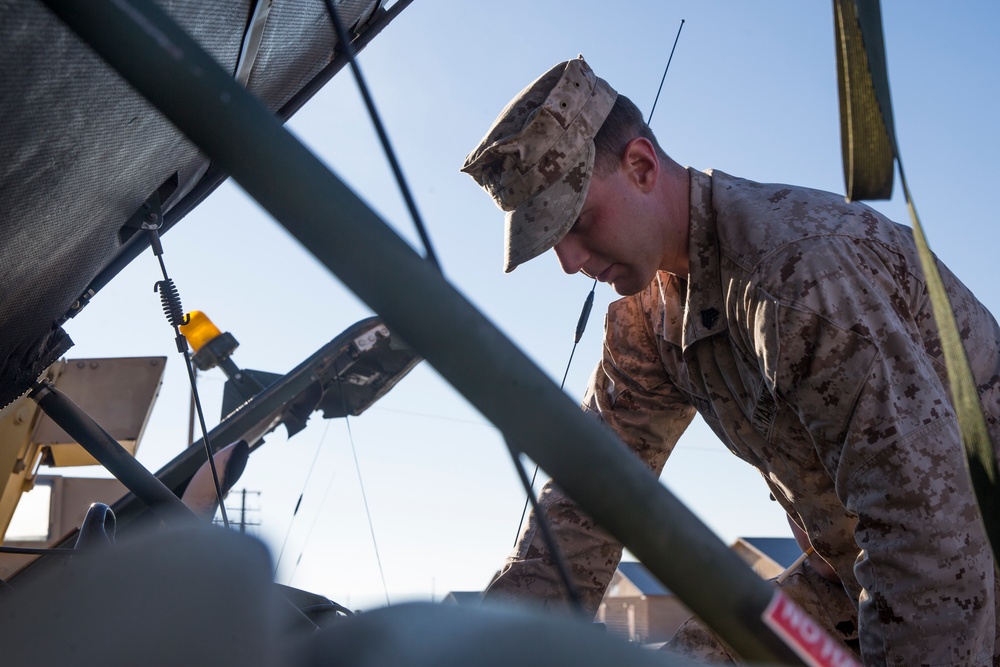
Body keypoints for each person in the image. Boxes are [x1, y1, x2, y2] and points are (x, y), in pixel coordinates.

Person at [461, 57, 1000, 667]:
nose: (569, 261)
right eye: (552, 241)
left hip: (968, 569)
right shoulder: (649, 316)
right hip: (857, 577)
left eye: (578, 223)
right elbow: (587, 498)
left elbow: (929, 533)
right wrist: (491, 648)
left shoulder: (798, 279)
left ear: (640, 166)